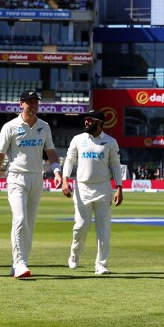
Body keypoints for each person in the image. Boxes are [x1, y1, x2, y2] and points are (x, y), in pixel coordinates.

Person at [0, 90, 62, 279]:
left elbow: (51, 151)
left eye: (35, 101)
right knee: (19, 219)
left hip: (36, 178)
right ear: (21, 104)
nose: (33, 105)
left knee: (28, 223)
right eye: (29, 102)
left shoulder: (44, 126)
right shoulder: (10, 126)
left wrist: (56, 171)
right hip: (16, 178)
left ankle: (19, 262)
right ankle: (20, 263)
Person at [62, 109, 123, 275]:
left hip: (103, 187)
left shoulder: (110, 142)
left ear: (99, 123)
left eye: (90, 120)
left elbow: (116, 166)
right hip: (82, 187)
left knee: (103, 228)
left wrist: (119, 187)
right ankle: (74, 253)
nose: (86, 122)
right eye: (85, 120)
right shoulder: (78, 139)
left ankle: (101, 264)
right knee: (81, 226)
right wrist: (65, 179)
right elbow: (69, 160)